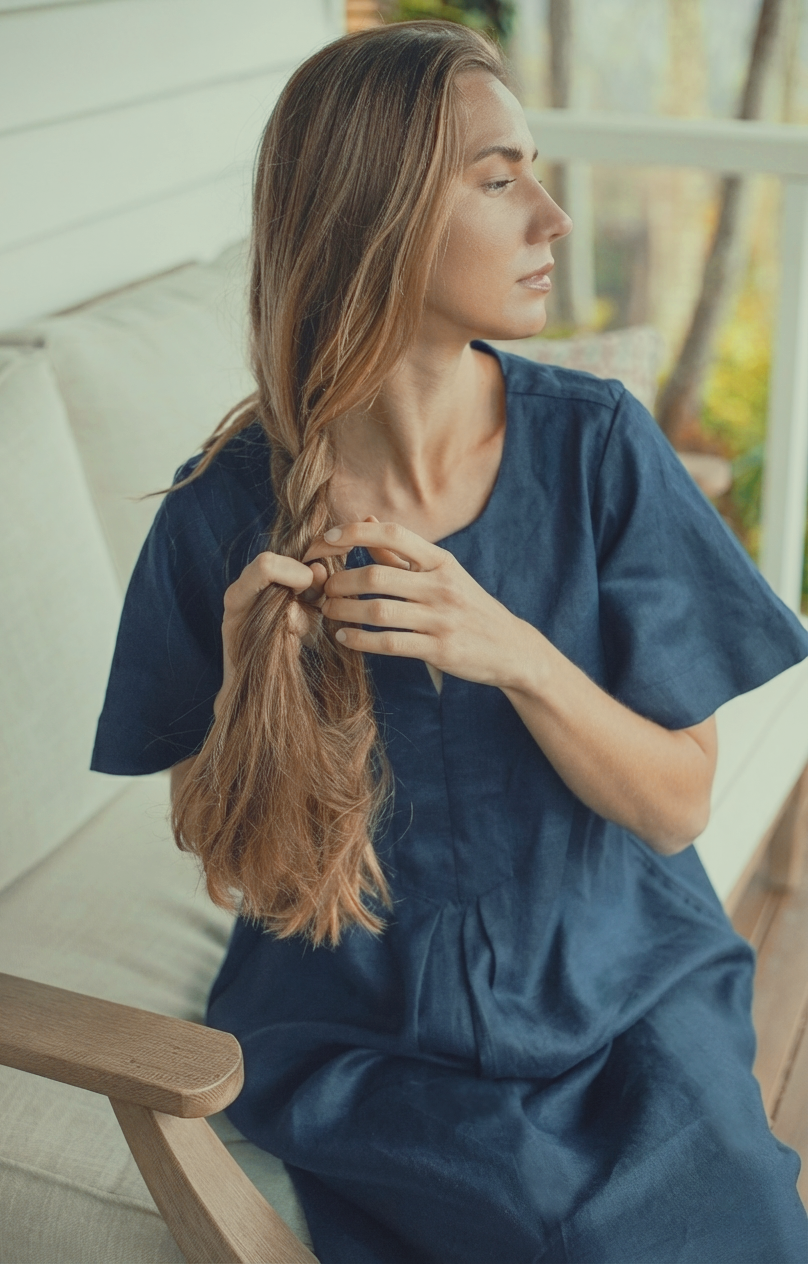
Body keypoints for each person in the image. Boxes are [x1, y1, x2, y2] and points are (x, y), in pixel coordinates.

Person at [91, 20, 808, 1264]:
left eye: (535, 172)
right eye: (497, 179)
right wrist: (248, 690)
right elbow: (230, 852)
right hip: (358, 1026)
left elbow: (675, 804)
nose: (552, 217)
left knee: (737, 1220)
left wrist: (513, 651)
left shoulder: (596, 446)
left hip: (621, 978)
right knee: (542, 1233)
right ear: (376, 218)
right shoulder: (221, 511)